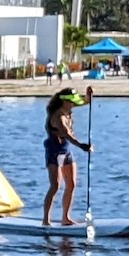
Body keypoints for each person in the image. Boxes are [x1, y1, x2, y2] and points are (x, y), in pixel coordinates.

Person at [42, 87, 94, 226]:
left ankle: (65, 217)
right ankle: (46, 220)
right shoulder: (58, 117)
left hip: (67, 151)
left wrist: (89, 94)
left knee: (71, 184)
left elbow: (85, 101)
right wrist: (83, 146)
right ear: (64, 101)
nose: (73, 105)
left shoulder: (68, 109)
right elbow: (67, 134)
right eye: (71, 102)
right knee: (55, 185)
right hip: (54, 152)